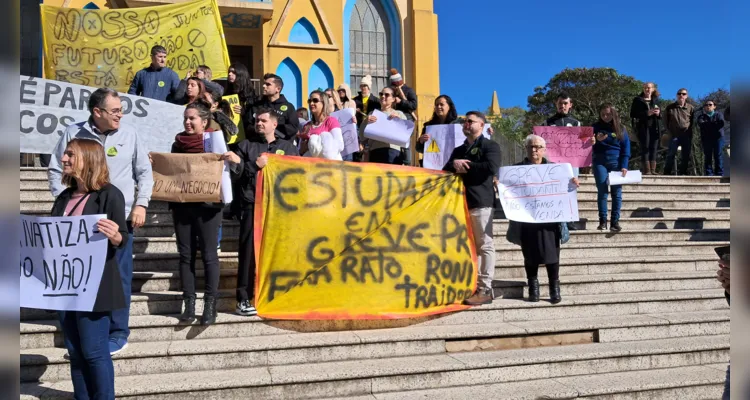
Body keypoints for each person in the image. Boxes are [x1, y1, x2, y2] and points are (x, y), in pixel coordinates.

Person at [48, 88, 153, 355]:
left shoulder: (130, 135)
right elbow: (55, 168)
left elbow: (144, 171)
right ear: (97, 112)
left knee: (119, 277)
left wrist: (141, 204)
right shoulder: (73, 133)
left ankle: (117, 333)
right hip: (79, 222)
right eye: (115, 110)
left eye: (121, 110)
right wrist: (66, 202)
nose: (121, 114)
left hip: (119, 217)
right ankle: (81, 330)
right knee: (78, 275)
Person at [51, 139, 128, 399]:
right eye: (65, 154)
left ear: (88, 158)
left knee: (94, 352)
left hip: (95, 287)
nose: (64, 159)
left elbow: (123, 239)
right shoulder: (64, 197)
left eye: (71, 155)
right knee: (74, 352)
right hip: (65, 286)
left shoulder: (109, 194)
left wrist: (115, 236)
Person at [222, 108, 299, 316]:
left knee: (278, 253)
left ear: (274, 124)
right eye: (257, 120)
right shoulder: (245, 146)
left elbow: (297, 176)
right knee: (248, 254)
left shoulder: (288, 147)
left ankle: (278, 295)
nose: (259, 123)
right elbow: (235, 176)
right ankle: (244, 298)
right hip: (252, 206)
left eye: (264, 120)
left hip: (279, 208)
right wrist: (253, 166)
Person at [165, 101, 224, 325]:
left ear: (204, 121)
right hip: (182, 206)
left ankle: (210, 303)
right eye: (185, 119)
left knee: (209, 256)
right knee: (185, 256)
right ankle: (189, 303)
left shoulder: (214, 142)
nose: (187, 123)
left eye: (192, 119)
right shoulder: (177, 144)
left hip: (208, 207)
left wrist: (232, 161)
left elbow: (227, 172)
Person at [442, 111, 501, 305]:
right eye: (464, 121)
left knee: (484, 245)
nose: (466, 124)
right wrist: (454, 164)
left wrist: (466, 166)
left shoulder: (490, 145)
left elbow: (492, 167)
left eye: (470, 121)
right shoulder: (459, 150)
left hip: (481, 202)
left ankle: (485, 288)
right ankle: (467, 284)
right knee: (467, 246)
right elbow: (446, 169)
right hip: (459, 204)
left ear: (482, 125)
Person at [517, 134, 580, 303]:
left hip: (550, 220)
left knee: (553, 255)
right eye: (531, 146)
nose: (534, 150)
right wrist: (499, 183)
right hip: (527, 220)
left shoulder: (556, 169)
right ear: (526, 149)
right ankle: (533, 288)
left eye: (538, 147)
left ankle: (554, 288)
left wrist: (573, 182)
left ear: (544, 150)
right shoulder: (516, 169)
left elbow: (566, 189)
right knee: (529, 255)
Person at [544, 92, 581, 230]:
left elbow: (581, 143)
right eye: (560, 103)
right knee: (553, 189)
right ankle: (555, 220)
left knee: (571, 188)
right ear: (556, 104)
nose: (563, 106)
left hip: (571, 162)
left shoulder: (576, 123)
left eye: (565, 103)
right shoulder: (547, 122)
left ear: (570, 105)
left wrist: (591, 141)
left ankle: (570, 220)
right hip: (553, 162)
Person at [592, 103, 631, 232]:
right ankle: (602, 220)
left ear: (613, 114)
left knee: (617, 192)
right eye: (603, 114)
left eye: (608, 114)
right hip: (599, 161)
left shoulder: (621, 128)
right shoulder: (594, 127)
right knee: (602, 191)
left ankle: (615, 221)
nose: (605, 116)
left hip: (616, 162)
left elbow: (626, 149)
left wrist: (624, 166)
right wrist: (595, 140)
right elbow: (584, 144)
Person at [244, 74, 300, 142]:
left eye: (268, 84)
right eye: (264, 84)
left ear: (278, 89)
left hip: (280, 148)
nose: (264, 86)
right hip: (258, 146)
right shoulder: (256, 106)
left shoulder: (289, 107)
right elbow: (247, 126)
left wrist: (273, 129)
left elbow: (293, 128)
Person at [360, 87, 406, 165]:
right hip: (375, 152)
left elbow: (407, 135)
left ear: (393, 99)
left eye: (387, 95)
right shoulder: (372, 114)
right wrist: (365, 122)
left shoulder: (399, 114)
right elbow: (362, 137)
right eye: (381, 94)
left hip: (393, 152)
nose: (383, 96)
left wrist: (399, 121)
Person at [298, 90, 344, 160]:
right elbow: (299, 151)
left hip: (329, 165)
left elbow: (339, 145)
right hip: (310, 166)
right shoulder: (306, 126)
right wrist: (302, 149)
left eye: (315, 100)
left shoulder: (331, 121)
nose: (311, 103)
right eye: (309, 101)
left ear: (324, 103)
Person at [630, 82, 662, 174]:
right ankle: (647, 170)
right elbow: (632, 114)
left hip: (655, 126)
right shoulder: (638, 100)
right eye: (645, 88)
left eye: (649, 88)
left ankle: (653, 170)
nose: (647, 90)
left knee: (654, 148)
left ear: (653, 89)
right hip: (643, 127)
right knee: (645, 147)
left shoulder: (656, 100)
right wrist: (646, 113)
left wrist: (658, 113)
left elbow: (661, 114)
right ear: (643, 89)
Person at [663, 88, 696, 175]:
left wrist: (689, 132)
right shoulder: (670, 107)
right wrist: (669, 132)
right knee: (671, 154)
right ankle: (667, 173)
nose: (681, 95)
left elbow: (692, 122)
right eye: (679, 93)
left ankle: (683, 173)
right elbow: (665, 121)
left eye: (683, 94)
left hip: (686, 135)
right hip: (674, 135)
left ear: (686, 96)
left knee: (685, 155)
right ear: (677, 95)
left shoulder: (691, 108)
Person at [697, 100, 726, 176]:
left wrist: (708, 125)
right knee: (708, 156)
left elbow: (721, 123)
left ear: (714, 106)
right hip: (707, 139)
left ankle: (719, 173)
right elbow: (702, 125)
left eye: (710, 104)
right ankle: (709, 173)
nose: (708, 106)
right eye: (706, 105)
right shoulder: (701, 117)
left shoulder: (719, 114)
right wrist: (713, 124)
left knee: (718, 155)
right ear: (704, 107)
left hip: (718, 138)